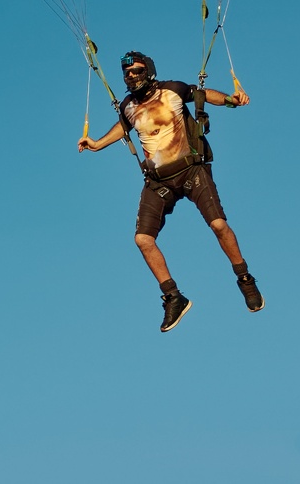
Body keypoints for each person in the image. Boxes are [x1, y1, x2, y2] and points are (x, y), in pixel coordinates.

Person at [77, 51, 264, 332]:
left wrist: (230, 100)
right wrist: (97, 143)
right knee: (142, 239)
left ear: (148, 71)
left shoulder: (171, 90)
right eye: (126, 74)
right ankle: (174, 297)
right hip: (158, 182)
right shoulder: (128, 106)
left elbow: (202, 94)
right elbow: (124, 127)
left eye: (136, 71)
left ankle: (245, 278)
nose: (130, 77)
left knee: (218, 224)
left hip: (191, 171)